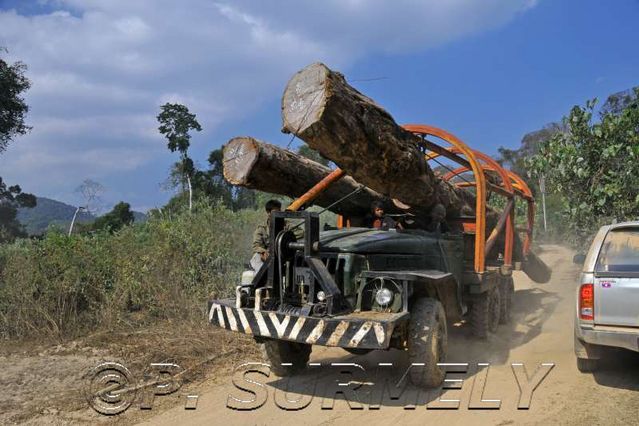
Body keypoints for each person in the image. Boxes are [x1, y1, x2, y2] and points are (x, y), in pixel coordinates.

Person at [250, 199, 281, 271]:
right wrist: (263, 252)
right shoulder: (262, 229)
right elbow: (256, 246)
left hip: (283, 256)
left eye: (279, 211)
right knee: (257, 257)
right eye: (275, 212)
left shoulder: (286, 225)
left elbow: (300, 233)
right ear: (268, 212)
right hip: (267, 257)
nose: (278, 214)